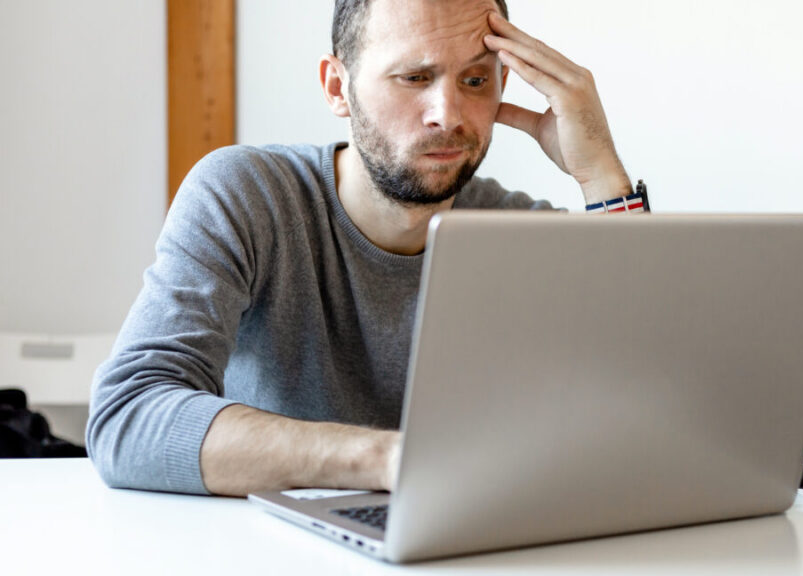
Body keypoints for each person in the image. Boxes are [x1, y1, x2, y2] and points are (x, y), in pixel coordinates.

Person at [86, 0, 642, 496]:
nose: (447, 115)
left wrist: (601, 174)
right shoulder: (247, 195)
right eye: (414, 77)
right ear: (336, 86)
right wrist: (390, 460)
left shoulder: (516, 232)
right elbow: (128, 417)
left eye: (476, 81)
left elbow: (657, 402)